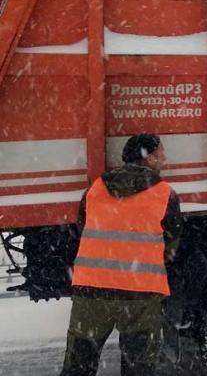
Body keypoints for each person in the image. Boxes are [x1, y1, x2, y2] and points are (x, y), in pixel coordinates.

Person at [61, 133, 181, 376]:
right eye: (160, 154)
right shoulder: (165, 194)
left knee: (79, 365)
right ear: (148, 159)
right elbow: (172, 243)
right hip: (141, 292)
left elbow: (81, 231)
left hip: (92, 291)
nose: (165, 158)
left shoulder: (95, 189)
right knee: (138, 367)